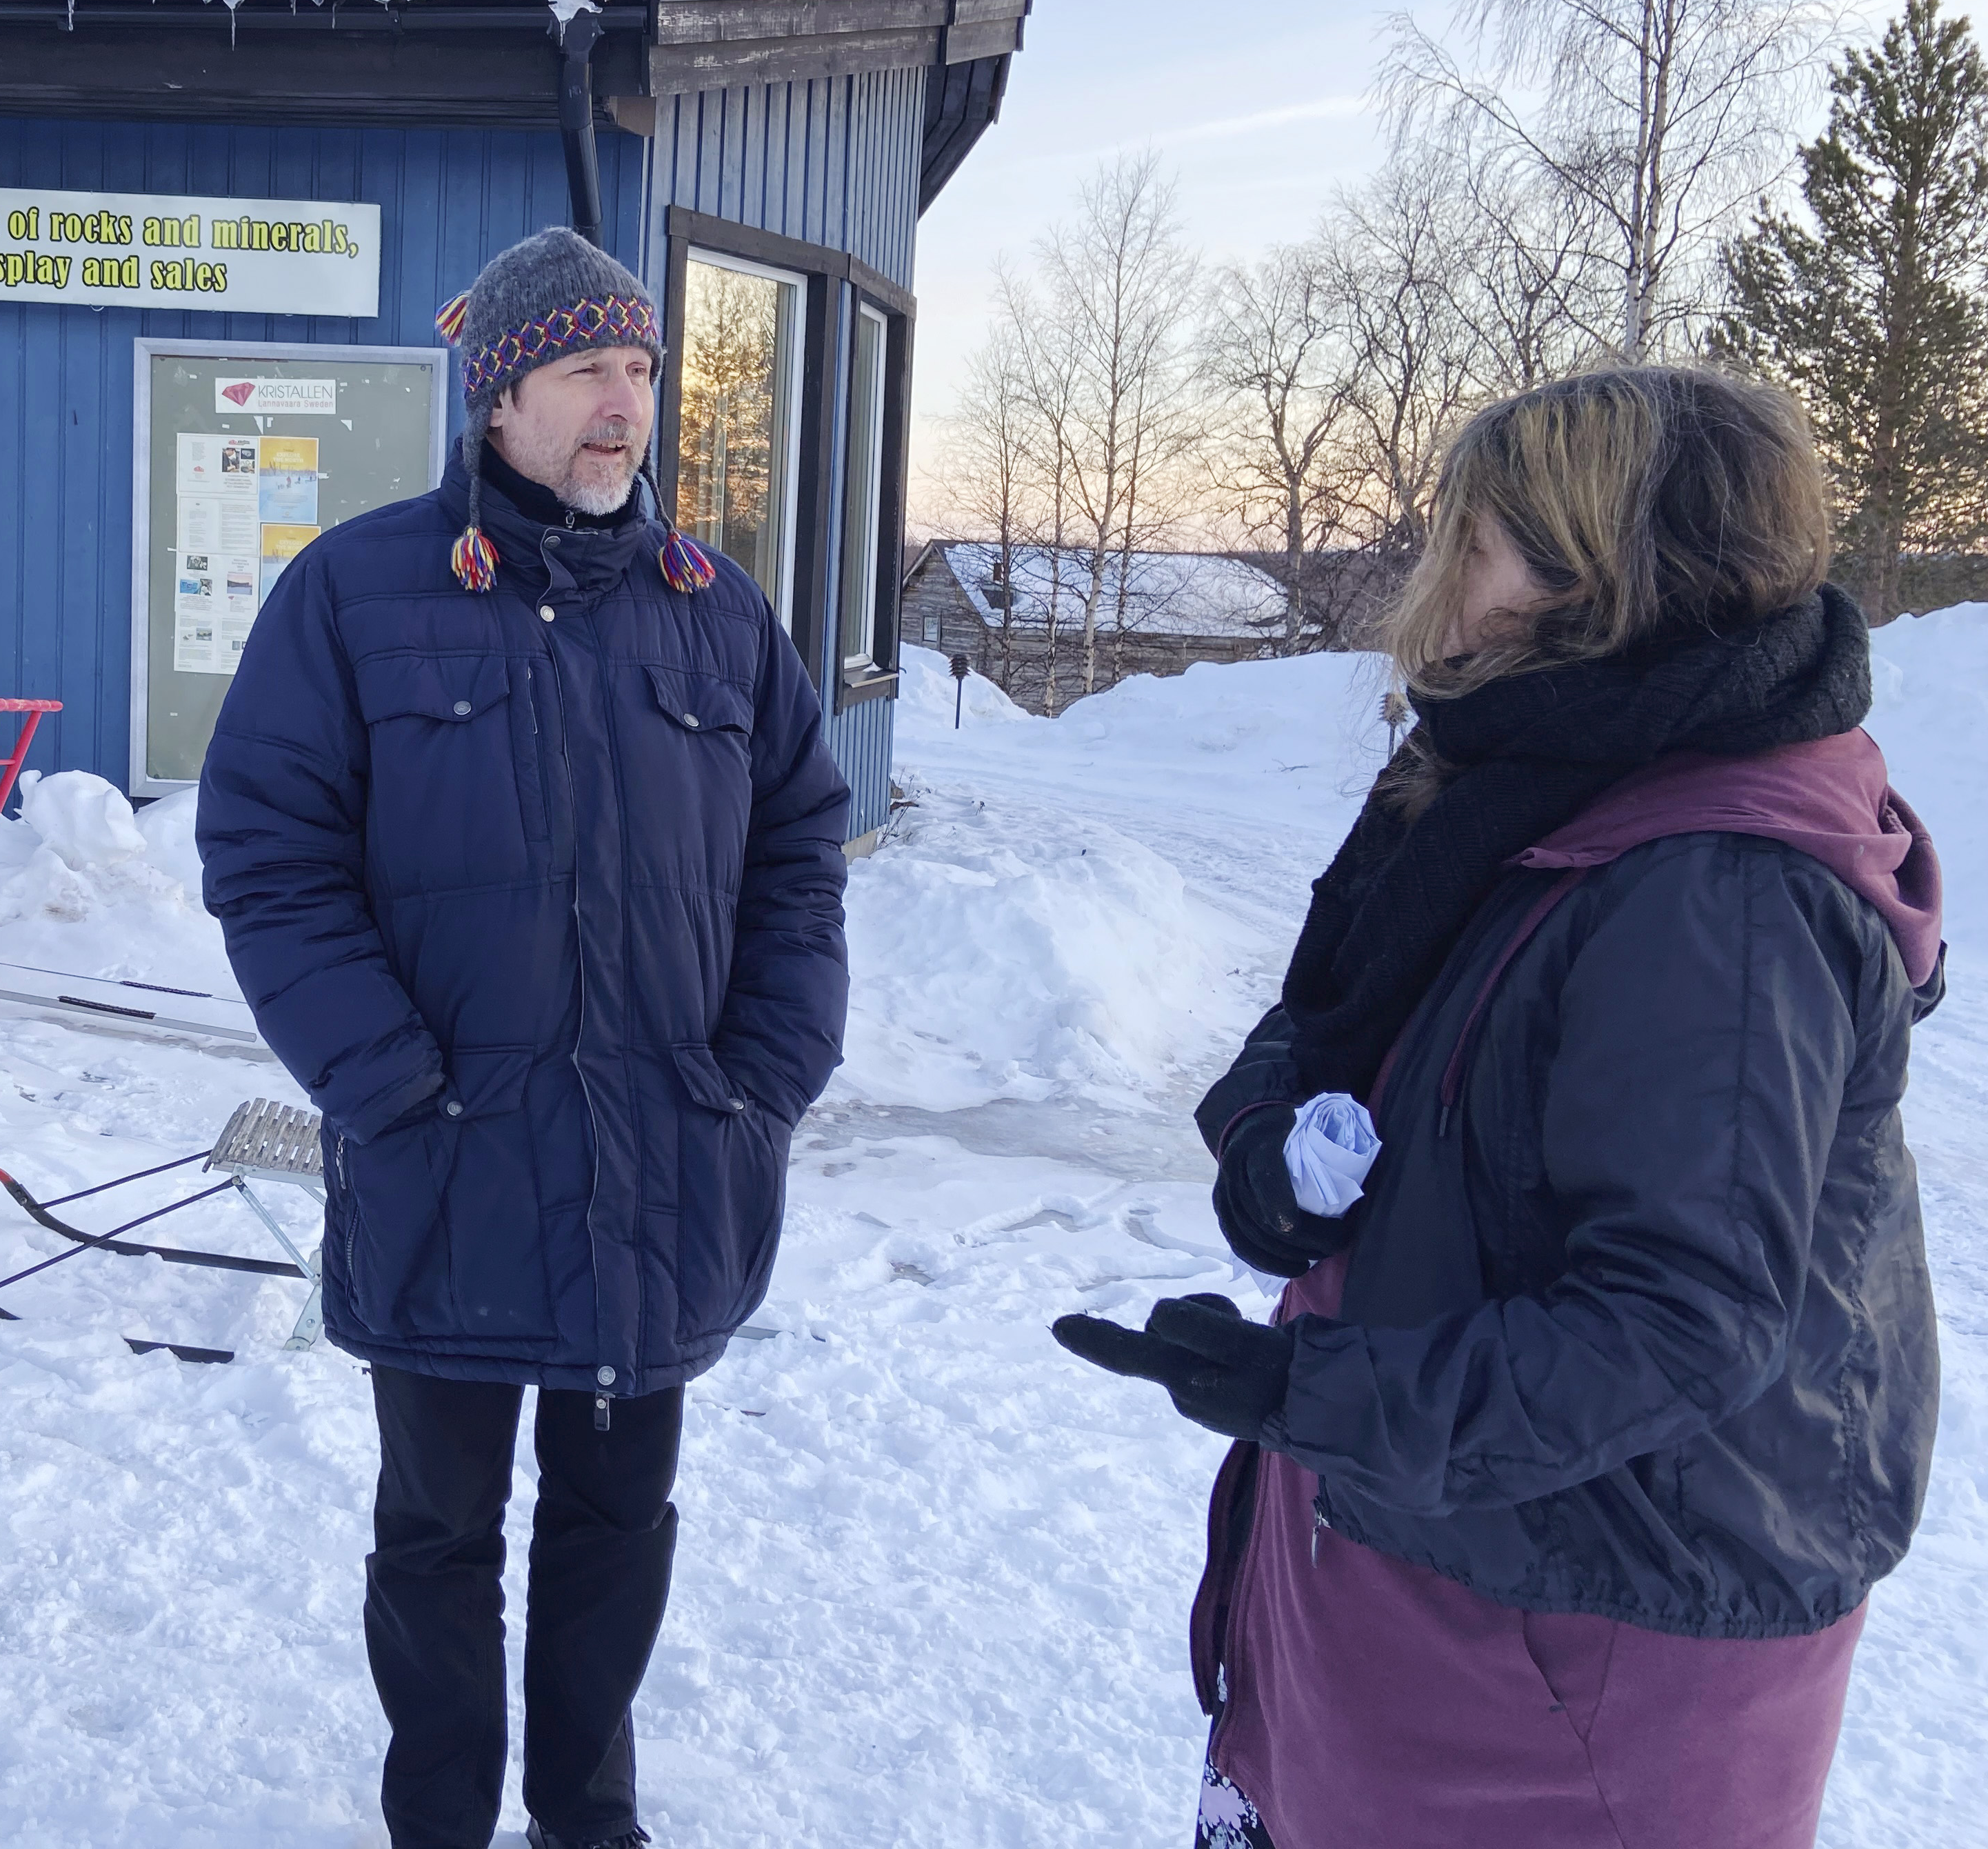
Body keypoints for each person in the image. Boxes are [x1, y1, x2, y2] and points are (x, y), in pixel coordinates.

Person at [1053, 366, 1944, 1848]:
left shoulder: (1714, 891)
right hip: (1438, 1557)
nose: (1437, 578)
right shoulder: (1528, 769)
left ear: (1606, 583)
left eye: (1477, 543)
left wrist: (1310, 1396)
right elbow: (1353, 1011)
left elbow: (1677, 1324)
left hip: (1591, 1645)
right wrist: (1269, 1130)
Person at [195, 226, 852, 1849]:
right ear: (500, 396)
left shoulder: (714, 616)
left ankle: (585, 1809)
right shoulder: (357, 593)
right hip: (449, 1161)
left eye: (639, 370)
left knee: (619, 1518)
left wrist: (762, 1076)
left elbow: (801, 854)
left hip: (662, 1164)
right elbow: (269, 856)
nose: (623, 404)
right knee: (437, 1529)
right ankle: (439, 1817)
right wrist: (386, 1082)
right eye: (584, 371)